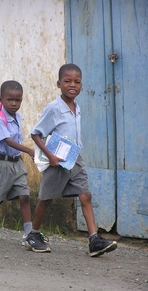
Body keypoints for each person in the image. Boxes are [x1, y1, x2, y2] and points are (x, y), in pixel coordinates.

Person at [25, 63, 117, 257]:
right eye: (67, 81)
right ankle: (33, 234)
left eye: (77, 82)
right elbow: (36, 134)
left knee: (85, 195)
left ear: (81, 85)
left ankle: (93, 240)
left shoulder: (77, 107)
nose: (72, 85)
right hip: (57, 161)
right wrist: (50, 156)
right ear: (59, 83)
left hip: (75, 157)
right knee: (46, 199)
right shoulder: (53, 108)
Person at [0, 80, 34, 245]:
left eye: (18, 100)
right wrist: (28, 150)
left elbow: (14, 142)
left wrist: (20, 156)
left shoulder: (17, 118)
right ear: (1, 99)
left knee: (24, 196)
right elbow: (8, 141)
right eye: (10, 100)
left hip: (16, 163)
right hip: (1, 164)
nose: (14, 103)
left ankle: (29, 232)